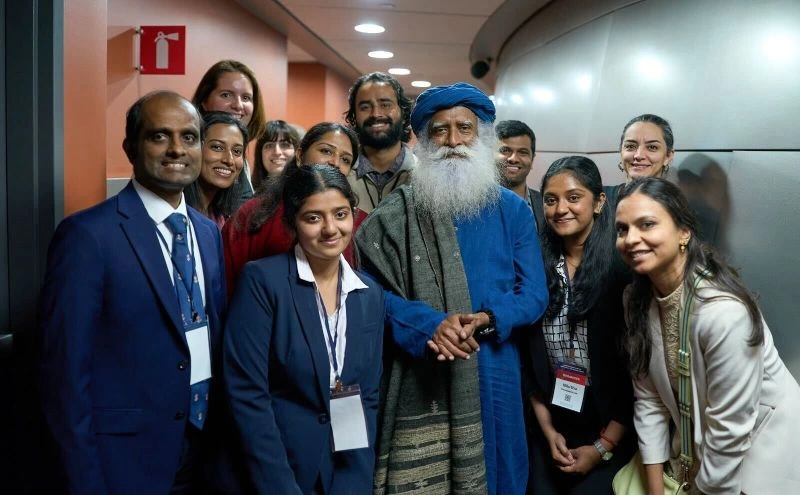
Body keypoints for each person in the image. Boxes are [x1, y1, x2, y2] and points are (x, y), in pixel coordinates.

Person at [356, 82, 549, 495]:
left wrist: (489, 318)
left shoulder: (513, 210)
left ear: (482, 137)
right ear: (424, 142)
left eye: (465, 128)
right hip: (420, 364)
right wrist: (428, 324)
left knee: (499, 475)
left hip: (493, 365)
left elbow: (534, 294)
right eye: (440, 130)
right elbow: (369, 294)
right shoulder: (395, 214)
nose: (453, 141)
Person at [38, 91, 226, 495]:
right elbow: (64, 380)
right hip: (126, 462)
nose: (177, 149)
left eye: (189, 137)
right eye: (159, 136)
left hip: (203, 451)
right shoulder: (87, 236)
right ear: (130, 147)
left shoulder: (208, 233)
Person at [615, 177, 800, 494]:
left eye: (647, 224)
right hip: (699, 453)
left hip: (763, 456)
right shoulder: (635, 300)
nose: (631, 239)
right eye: (622, 229)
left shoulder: (724, 313)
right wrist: (654, 490)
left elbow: (729, 433)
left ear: (683, 232)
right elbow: (649, 400)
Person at [224, 164, 384, 494]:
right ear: (292, 223)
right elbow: (247, 394)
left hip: (342, 471)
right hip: (277, 471)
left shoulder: (369, 293)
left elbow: (365, 396)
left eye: (340, 214)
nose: (330, 229)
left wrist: (353, 482)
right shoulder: (263, 282)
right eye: (313, 218)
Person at [524, 156, 634, 494]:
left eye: (573, 198)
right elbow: (527, 360)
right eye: (550, 199)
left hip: (612, 425)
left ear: (599, 202)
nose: (560, 209)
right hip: (551, 422)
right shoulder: (534, 267)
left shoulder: (622, 270)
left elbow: (637, 373)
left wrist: (602, 447)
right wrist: (548, 432)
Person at [222, 122, 365, 295]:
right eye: (326, 151)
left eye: (345, 160)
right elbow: (227, 286)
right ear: (299, 156)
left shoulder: (358, 222)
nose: (335, 163)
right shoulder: (254, 213)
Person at [192, 60, 267, 197]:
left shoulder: (240, 160)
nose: (238, 105)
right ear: (204, 100)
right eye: (226, 95)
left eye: (246, 98)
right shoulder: (189, 154)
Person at [344, 72, 416, 213]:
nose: (376, 114)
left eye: (385, 105)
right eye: (365, 107)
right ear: (354, 117)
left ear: (403, 113)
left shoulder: (422, 175)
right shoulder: (341, 174)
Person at [185, 111, 249, 227]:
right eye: (217, 147)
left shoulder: (225, 218)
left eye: (237, 151)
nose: (229, 160)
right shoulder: (176, 210)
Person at [605, 114, 674, 207]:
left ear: (668, 156)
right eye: (630, 146)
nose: (639, 155)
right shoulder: (598, 200)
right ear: (621, 152)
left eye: (652, 147)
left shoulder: (677, 208)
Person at [495, 119, 545, 232]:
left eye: (523, 152)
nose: (513, 159)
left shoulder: (545, 204)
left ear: (532, 159)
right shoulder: (474, 204)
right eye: (505, 150)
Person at [252, 119, 301, 190]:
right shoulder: (249, 192)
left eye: (285, 145)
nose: (277, 152)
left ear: (297, 152)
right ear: (260, 153)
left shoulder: (309, 192)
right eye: (269, 146)